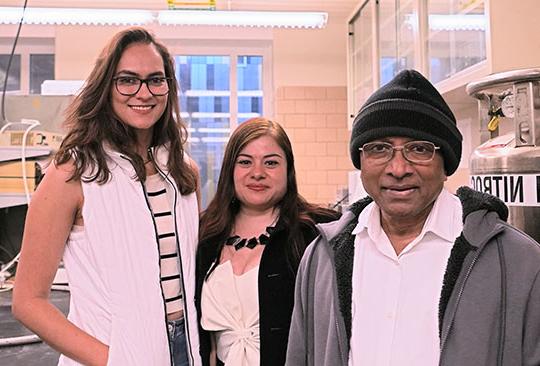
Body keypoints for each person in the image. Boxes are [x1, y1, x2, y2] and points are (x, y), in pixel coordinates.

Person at [286, 69, 540, 366]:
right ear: (361, 160)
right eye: (379, 148)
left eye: (418, 149)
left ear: (446, 163)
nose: (397, 168)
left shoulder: (517, 261)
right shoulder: (322, 257)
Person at [12, 27, 202, 366]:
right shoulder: (72, 174)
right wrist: (113, 360)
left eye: (155, 80)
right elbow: (28, 301)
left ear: (169, 88)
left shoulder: (183, 171)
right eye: (127, 80)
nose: (143, 92)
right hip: (110, 356)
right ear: (106, 87)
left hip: (183, 349)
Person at [195, 118, 339, 366]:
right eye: (245, 162)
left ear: (288, 170)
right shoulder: (205, 235)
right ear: (230, 169)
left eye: (271, 163)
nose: (258, 173)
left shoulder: (317, 233)